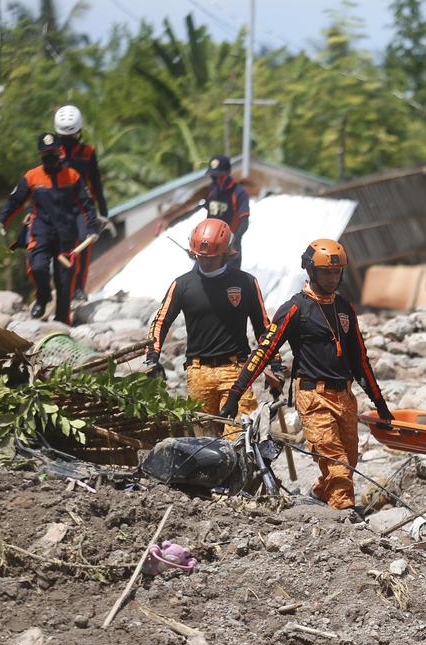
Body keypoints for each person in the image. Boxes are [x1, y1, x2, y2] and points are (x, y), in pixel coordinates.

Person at [220, 239, 393, 509]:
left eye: (337, 272)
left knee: (348, 460)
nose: (333, 278)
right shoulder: (294, 308)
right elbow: (262, 352)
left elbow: (360, 361)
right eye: (326, 272)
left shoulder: (345, 309)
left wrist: (380, 404)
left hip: (345, 396)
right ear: (310, 271)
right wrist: (235, 394)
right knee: (338, 464)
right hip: (313, 397)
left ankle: (318, 495)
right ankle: (344, 515)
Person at [146, 218, 272, 435]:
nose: (205, 262)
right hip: (198, 372)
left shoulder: (246, 283)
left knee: (240, 439)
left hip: (237, 371)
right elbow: (161, 321)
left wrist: (275, 365)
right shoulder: (182, 285)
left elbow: (264, 328)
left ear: (225, 252)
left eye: (211, 258)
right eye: (200, 256)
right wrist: (152, 356)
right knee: (202, 445)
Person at [0, 132, 98, 324]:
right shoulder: (31, 177)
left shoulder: (72, 176)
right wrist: (0, 222)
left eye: (53, 153)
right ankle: (43, 296)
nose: (50, 157)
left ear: (59, 152)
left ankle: (62, 320)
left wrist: (93, 228)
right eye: (46, 154)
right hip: (41, 231)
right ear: (40, 155)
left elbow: (87, 204)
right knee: (37, 267)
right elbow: (15, 202)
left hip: (66, 235)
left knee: (64, 279)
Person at [54, 105, 110, 301]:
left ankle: (79, 288)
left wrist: (103, 211)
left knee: (84, 247)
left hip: (83, 208)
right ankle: (61, 287)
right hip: (59, 207)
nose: (66, 142)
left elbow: (96, 183)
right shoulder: (51, 150)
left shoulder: (87, 153)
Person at [203, 155, 250, 270]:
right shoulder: (211, 190)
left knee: (229, 282)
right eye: (213, 176)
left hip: (229, 247)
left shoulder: (239, 193)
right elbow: (209, 217)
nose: (215, 179)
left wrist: (234, 241)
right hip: (211, 245)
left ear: (228, 173)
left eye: (219, 176)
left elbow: (244, 222)